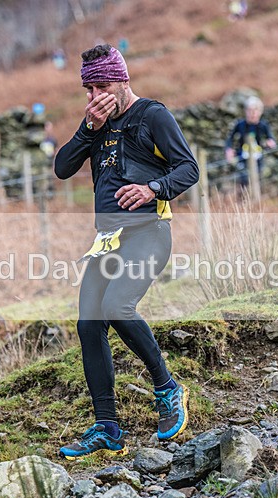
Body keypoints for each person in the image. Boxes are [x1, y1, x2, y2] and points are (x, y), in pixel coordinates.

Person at [54, 44, 199, 460]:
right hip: (108, 241)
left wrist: (152, 188)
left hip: (149, 232)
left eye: (100, 85)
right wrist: (87, 128)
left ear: (122, 81)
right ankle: (107, 426)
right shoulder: (95, 124)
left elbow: (188, 167)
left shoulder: (153, 115)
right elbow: (63, 167)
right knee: (88, 324)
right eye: (87, 88)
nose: (93, 95)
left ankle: (168, 388)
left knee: (119, 307)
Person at [224, 96, 276, 197]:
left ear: (260, 112)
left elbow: (271, 139)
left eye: (255, 110)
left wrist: (270, 143)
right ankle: (244, 200)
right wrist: (229, 150)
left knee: (258, 178)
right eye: (250, 110)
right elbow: (229, 139)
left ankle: (257, 199)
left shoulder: (263, 125)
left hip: (258, 158)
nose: (252, 113)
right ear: (245, 111)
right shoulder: (240, 125)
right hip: (242, 157)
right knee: (244, 179)